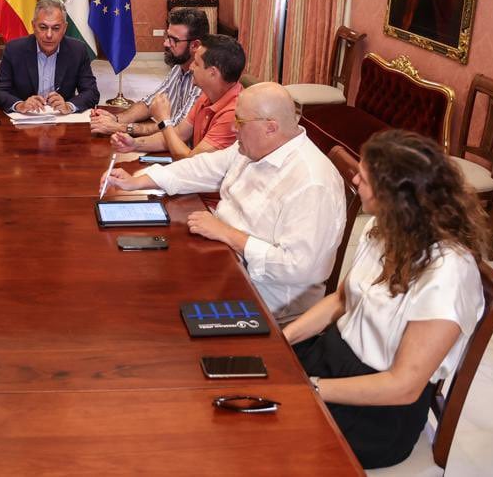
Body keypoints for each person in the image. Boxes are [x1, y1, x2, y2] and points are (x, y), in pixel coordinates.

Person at [283, 130, 487, 469]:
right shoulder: (381, 228)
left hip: (378, 408)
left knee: (263, 432)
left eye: (364, 177)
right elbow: (340, 301)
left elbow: (403, 386)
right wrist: (282, 341)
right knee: (244, 380)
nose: (354, 179)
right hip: (330, 358)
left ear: (397, 196)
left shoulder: (449, 272)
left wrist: (313, 388)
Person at [102, 82, 345, 322]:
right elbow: (205, 166)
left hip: (267, 297)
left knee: (152, 306)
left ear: (270, 127)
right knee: (137, 272)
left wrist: (227, 233)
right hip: (222, 256)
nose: (232, 127)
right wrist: (139, 181)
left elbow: (297, 268)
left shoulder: (313, 183)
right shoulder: (255, 147)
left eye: (239, 122)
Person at [109, 34, 244, 159]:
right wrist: (134, 144)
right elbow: (179, 134)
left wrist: (164, 120)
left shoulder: (233, 113)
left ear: (212, 73)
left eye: (196, 63)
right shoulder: (208, 95)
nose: (191, 67)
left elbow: (192, 161)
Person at [90, 7, 206, 138]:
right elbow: (149, 103)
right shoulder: (178, 67)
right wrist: (116, 119)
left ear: (195, 45)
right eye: (167, 36)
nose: (166, 43)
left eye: (174, 40)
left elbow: (177, 128)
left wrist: (119, 128)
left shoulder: (203, 79)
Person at [0, 0, 99, 114]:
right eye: (43, 27)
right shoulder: (14, 49)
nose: (49, 35)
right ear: (33, 26)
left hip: (62, 120)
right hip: (26, 119)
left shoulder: (77, 50)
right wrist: (20, 105)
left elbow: (91, 92)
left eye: (56, 28)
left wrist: (69, 106)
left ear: (65, 28)